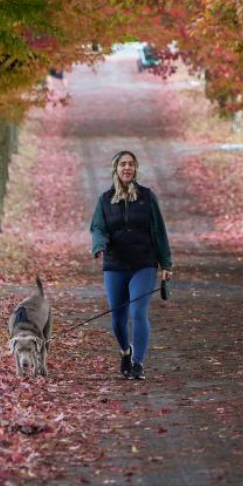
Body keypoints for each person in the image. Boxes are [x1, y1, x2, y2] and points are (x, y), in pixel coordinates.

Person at [90, 150, 173, 380]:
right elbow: (98, 227)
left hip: (143, 264)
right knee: (117, 318)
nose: (127, 168)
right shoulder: (105, 200)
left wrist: (165, 263)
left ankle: (138, 363)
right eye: (123, 164)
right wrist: (99, 245)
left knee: (138, 312)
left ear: (136, 169)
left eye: (131, 164)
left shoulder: (147, 197)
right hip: (115, 265)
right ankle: (125, 351)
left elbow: (159, 231)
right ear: (115, 169)